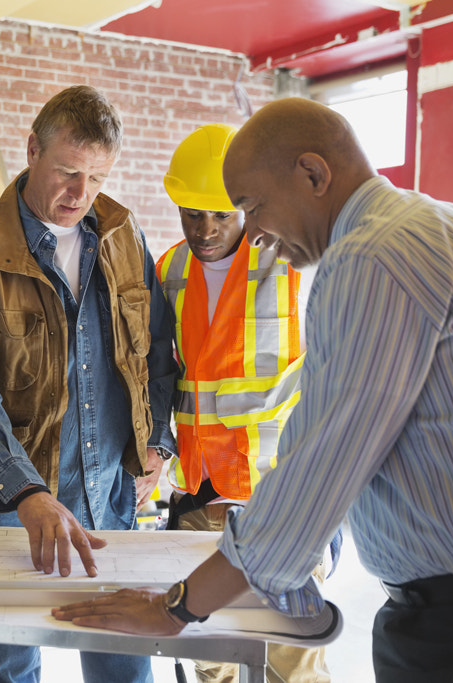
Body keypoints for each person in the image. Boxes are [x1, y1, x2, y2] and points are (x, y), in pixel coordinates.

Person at [53, 96, 453, 681]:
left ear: (313, 174)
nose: (250, 232)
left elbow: (324, 464)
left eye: (252, 207)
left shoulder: (371, 259)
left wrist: (178, 606)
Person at [0, 84, 178, 683]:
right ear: (32, 149)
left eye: (95, 178)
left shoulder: (124, 237)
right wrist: (25, 491)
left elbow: (156, 351)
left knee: (122, 654)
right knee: (13, 659)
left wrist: (159, 442)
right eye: (69, 172)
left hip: (108, 493)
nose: (81, 195)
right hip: (8, 509)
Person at [156, 123, 329, 682]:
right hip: (197, 502)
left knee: (290, 660)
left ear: (245, 208)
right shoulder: (166, 272)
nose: (203, 230)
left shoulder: (290, 268)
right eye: (191, 214)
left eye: (219, 215)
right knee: (212, 660)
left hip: (277, 499)